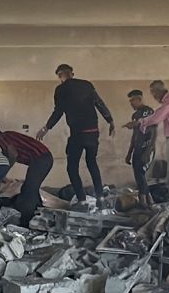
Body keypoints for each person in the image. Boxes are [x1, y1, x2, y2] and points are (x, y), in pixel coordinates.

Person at [37, 64, 114, 207]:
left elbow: (58, 111)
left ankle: (82, 200)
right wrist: (110, 120)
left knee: (72, 167)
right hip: (93, 132)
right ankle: (100, 199)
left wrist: (46, 127)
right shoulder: (87, 85)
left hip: (77, 134)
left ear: (60, 76)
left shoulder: (61, 89)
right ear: (72, 73)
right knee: (92, 163)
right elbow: (99, 103)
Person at [0, 122, 52, 225]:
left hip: (41, 158)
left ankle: (26, 222)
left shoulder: (3, 137)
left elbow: (13, 155)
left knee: (28, 191)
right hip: (42, 158)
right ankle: (39, 217)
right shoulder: (6, 140)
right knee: (31, 189)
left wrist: (2, 173)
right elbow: (2, 161)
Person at [138, 80, 169, 197]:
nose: (154, 97)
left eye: (153, 93)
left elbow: (156, 117)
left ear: (159, 91)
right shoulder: (168, 102)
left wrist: (141, 122)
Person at [122, 90, 157, 206]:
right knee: (138, 174)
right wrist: (129, 152)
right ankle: (149, 200)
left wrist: (148, 150)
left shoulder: (149, 112)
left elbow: (153, 131)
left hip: (146, 147)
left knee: (141, 173)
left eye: (132, 100)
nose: (131, 103)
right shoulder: (135, 115)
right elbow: (135, 135)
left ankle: (143, 200)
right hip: (137, 148)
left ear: (139, 99)